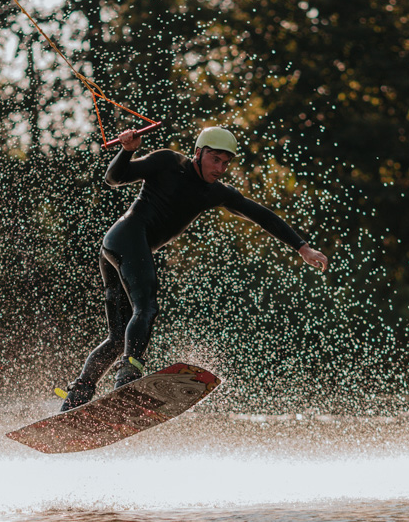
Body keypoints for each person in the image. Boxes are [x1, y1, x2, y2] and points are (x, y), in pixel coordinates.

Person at [60, 126, 328, 411]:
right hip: (125, 238)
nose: (221, 168)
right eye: (216, 159)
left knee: (117, 337)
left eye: (227, 163)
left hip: (116, 250)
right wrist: (127, 151)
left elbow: (262, 215)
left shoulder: (217, 193)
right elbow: (114, 178)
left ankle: (78, 395)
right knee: (147, 307)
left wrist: (302, 247)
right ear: (199, 153)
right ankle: (128, 375)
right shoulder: (167, 162)